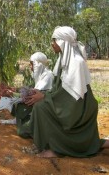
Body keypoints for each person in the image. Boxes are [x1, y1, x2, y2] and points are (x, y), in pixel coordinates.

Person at [24, 26, 109, 158]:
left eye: (54, 40)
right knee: (39, 106)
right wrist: (42, 94)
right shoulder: (62, 60)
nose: (52, 44)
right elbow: (59, 89)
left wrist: (45, 97)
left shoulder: (77, 63)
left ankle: (58, 149)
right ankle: (51, 144)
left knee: (41, 108)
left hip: (78, 109)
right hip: (66, 103)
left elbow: (72, 97)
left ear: (63, 41)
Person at [0, 52, 54, 138]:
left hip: (44, 112)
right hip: (37, 108)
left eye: (32, 65)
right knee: (19, 105)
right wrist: (13, 92)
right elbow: (30, 90)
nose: (31, 68)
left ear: (38, 64)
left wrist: (13, 94)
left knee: (23, 130)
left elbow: (32, 95)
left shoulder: (48, 76)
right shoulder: (42, 76)